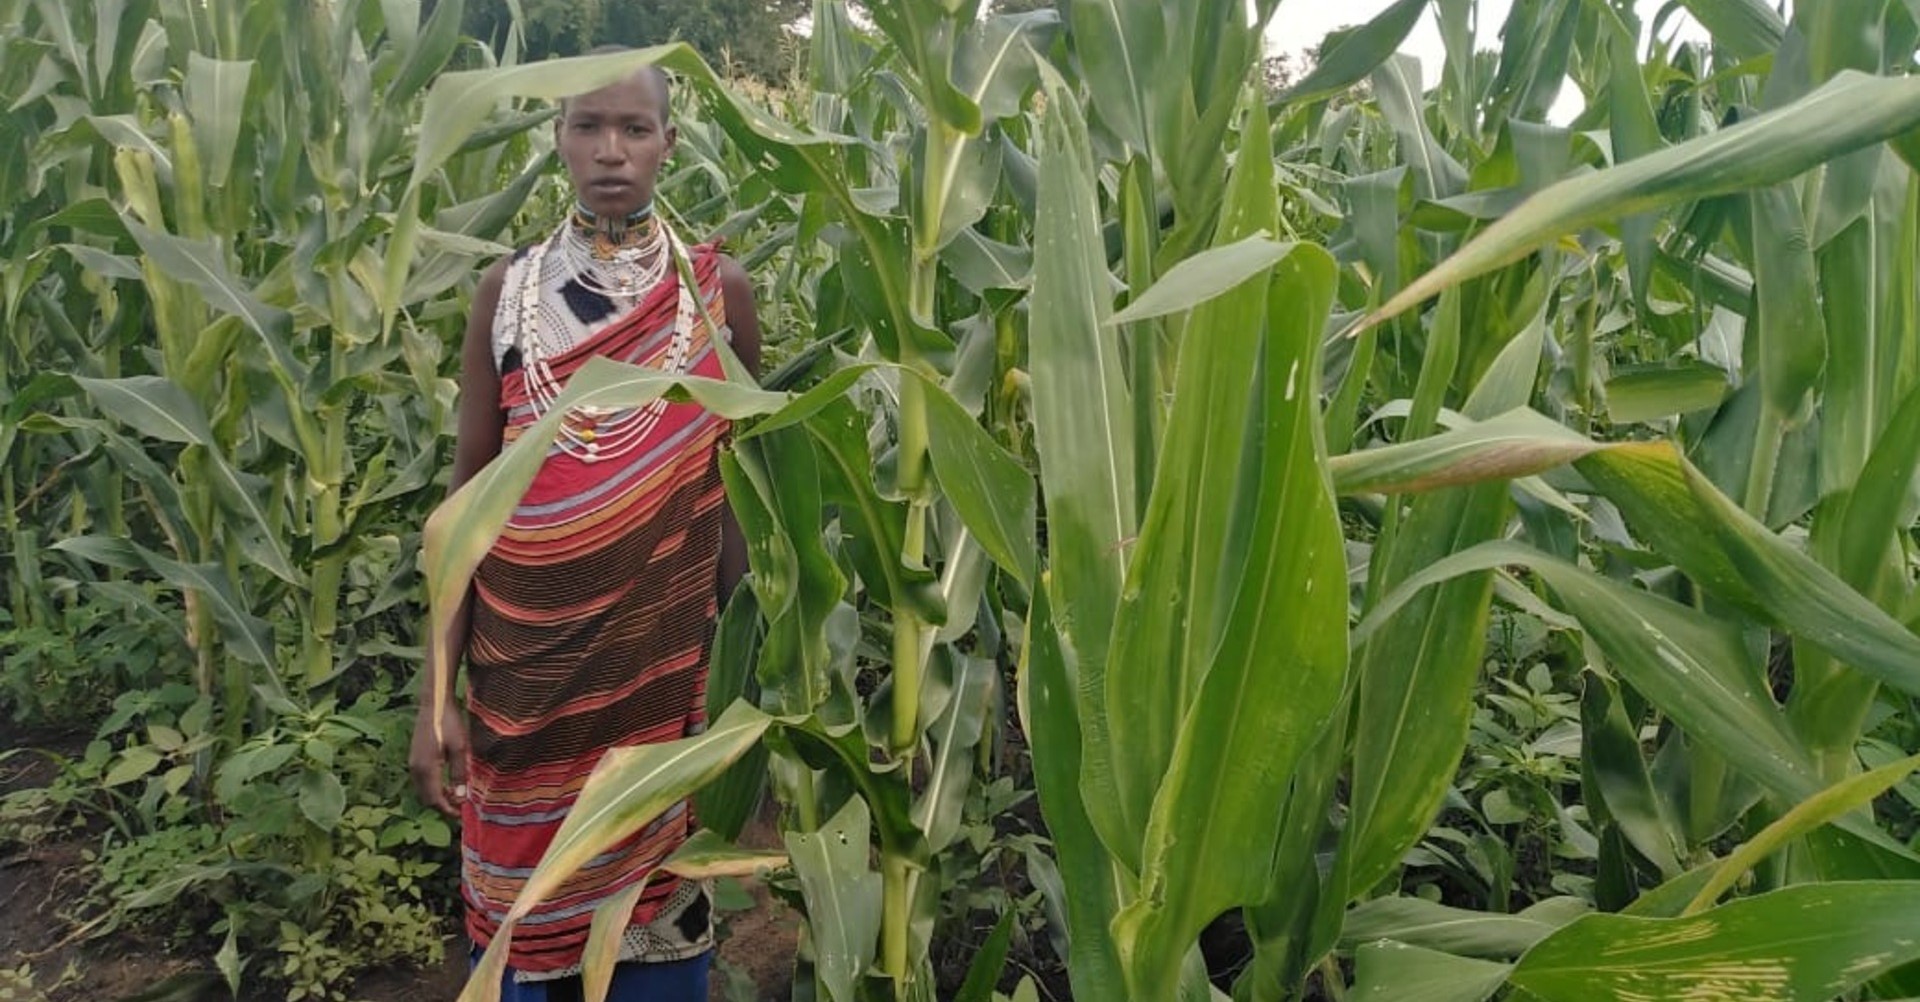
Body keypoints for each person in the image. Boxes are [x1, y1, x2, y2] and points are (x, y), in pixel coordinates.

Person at [409, 60, 762, 1002]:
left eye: (636, 129)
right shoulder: (507, 294)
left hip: (658, 686)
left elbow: (735, 495)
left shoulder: (720, 295)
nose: (613, 151)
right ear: (558, 139)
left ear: (669, 144)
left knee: (656, 926)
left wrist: (752, 675)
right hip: (523, 687)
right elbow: (467, 501)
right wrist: (437, 692)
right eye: (589, 127)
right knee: (529, 937)